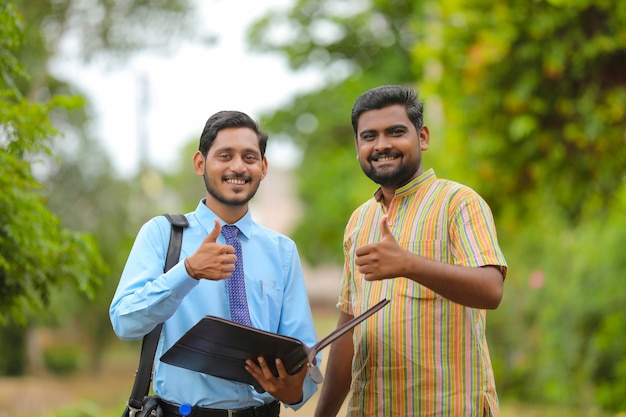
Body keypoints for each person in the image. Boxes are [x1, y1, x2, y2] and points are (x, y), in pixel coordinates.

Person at [314, 85, 508, 417]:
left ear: (423, 137)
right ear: (358, 146)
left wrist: (407, 264)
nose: (382, 145)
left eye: (396, 132)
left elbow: (491, 290)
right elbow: (347, 332)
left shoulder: (458, 203)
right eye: (369, 136)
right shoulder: (360, 221)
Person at [110, 110, 319, 416]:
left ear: (263, 167)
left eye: (249, 157)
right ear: (200, 163)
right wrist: (187, 271)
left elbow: (304, 348)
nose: (238, 166)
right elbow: (125, 323)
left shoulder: (282, 250)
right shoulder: (163, 234)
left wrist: (296, 389)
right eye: (225, 155)